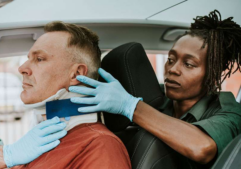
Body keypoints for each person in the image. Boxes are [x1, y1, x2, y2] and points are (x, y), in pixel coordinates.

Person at [69, 10, 241, 168]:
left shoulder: (231, 113)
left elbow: (203, 148)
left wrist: (131, 106)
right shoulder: (153, 95)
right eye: (171, 60)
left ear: (213, 73)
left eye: (189, 64)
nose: (173, 69)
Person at [13, 21, 131, 169]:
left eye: (39, 59)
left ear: (76, 74)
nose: (22, 68)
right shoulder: (37, 140)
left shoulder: (99, 146)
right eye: (28, 58)